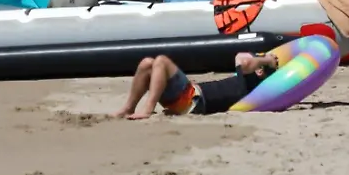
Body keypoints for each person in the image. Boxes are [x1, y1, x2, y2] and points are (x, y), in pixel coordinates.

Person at [113, 48, 281, 119]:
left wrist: (266, 59)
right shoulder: (245, 80)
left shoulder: (252, 83)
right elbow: (241, 56)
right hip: (188, 99)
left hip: (193, 100)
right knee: (147, 63)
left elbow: (242, 60)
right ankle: (129, 108)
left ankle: (147, 110)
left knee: (161, 61)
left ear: (260, 70)